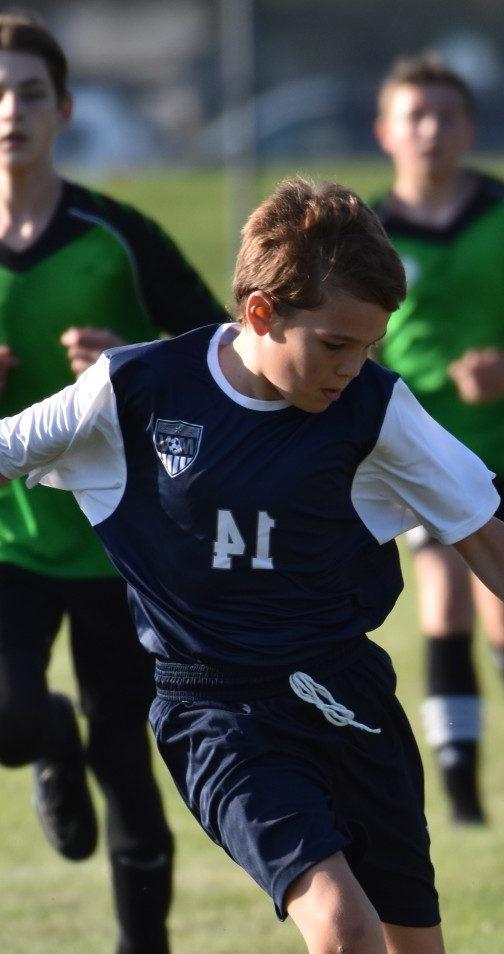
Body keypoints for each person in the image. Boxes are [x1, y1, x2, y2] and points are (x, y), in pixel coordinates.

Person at [0, 177, 504, 954]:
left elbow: (482, 530)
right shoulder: (137, 389)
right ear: (262, 312)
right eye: (336, 344)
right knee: (342, 930)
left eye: (368, 346)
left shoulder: (372, 407)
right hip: (217, 713)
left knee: (411, 945)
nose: (351, 366)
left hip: (347, 696)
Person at [0, 13, 229, 952]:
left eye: (29, 93)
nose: (9, 110)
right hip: (8, 539)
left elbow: (225, 349)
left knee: (128, 758)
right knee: (11, 722)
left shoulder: (117, 233)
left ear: (64, 110)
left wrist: (129, 359)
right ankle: (43, 738)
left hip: (118, 543)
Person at [371, 53, 504, 825]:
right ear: (385, 132)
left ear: (468, 128)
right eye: (413, 116)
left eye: (445, 116)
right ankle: (460, 791)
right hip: (422, 445)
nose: (430, 130)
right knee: (445, 598)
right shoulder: (368, 233)